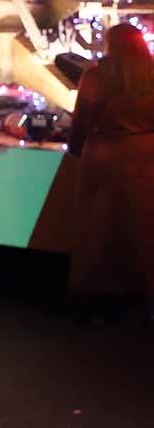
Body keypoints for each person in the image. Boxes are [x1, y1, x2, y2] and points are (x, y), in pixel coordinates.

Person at [68, 23, 154, 321]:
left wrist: (75, 148)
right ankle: (139, 294)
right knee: (140, 227)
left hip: (103, 156)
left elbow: (81, 119)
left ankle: (96, 295)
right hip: (145, 158)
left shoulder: (96, 76)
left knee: (98, 227)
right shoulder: (151, 75)